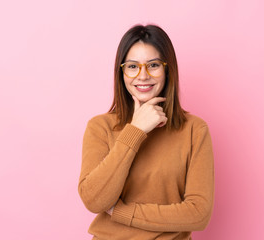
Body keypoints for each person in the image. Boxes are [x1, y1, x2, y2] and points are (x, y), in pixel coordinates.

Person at [78, 24, 214, 240]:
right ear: (121, 72)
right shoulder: (100, 127)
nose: (142, 76)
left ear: (167, 69)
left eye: (153, 65)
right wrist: (135, 130)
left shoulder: (194, 130)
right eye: (132, 66)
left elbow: (198, 214)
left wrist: (123, 212)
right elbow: (95, 201)